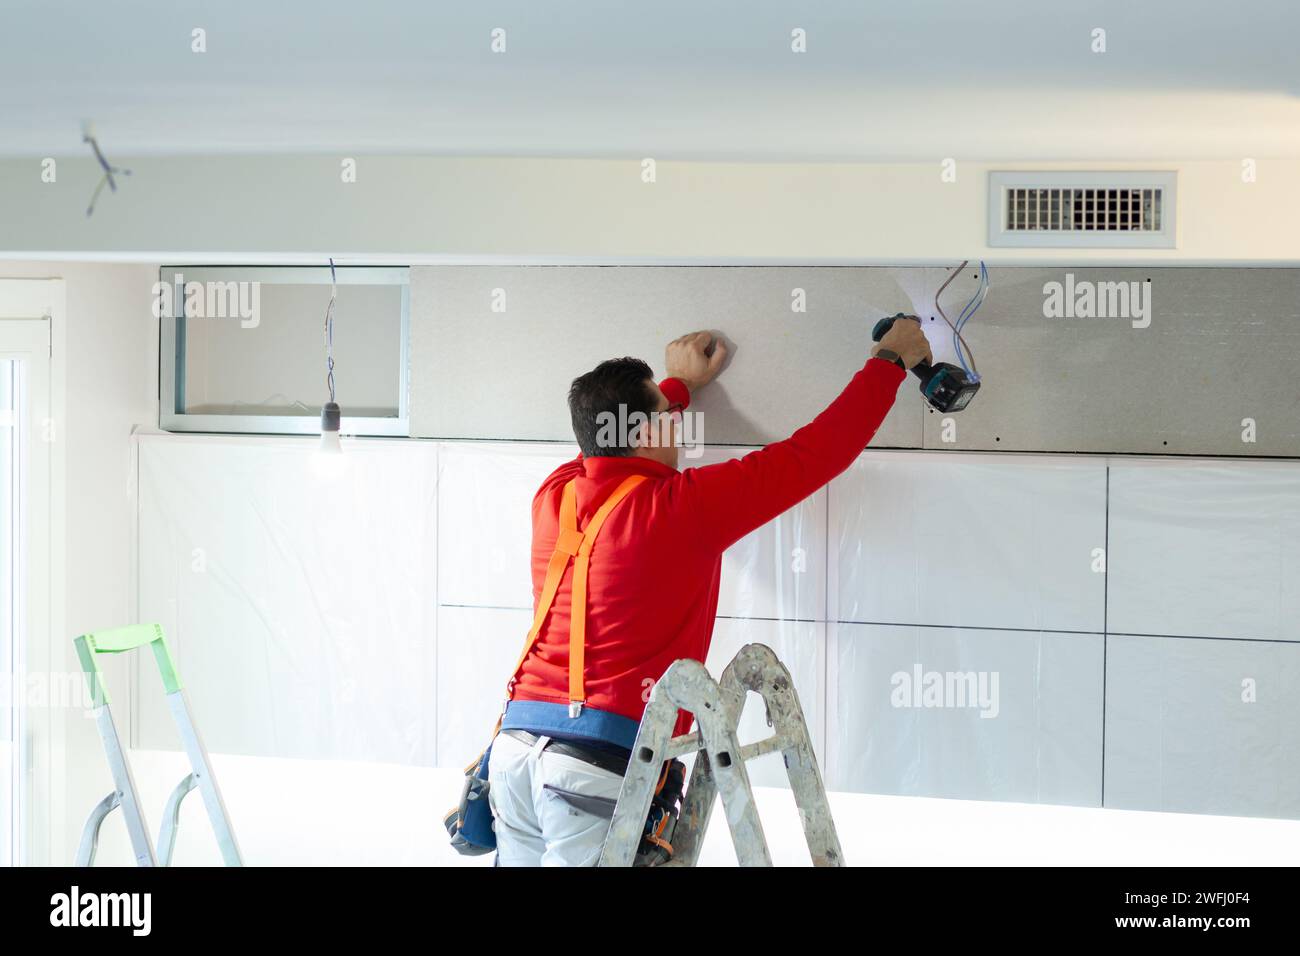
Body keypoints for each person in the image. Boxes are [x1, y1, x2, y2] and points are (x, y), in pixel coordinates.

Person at [487, 319, 933, 865]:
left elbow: (603, 443)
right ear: (647, 433)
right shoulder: (681, 509)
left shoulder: (553, 496)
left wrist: (675, 386)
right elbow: (813, 454)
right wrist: (889, 363)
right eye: (668, 420)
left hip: (513, 752)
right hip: (595, 764)